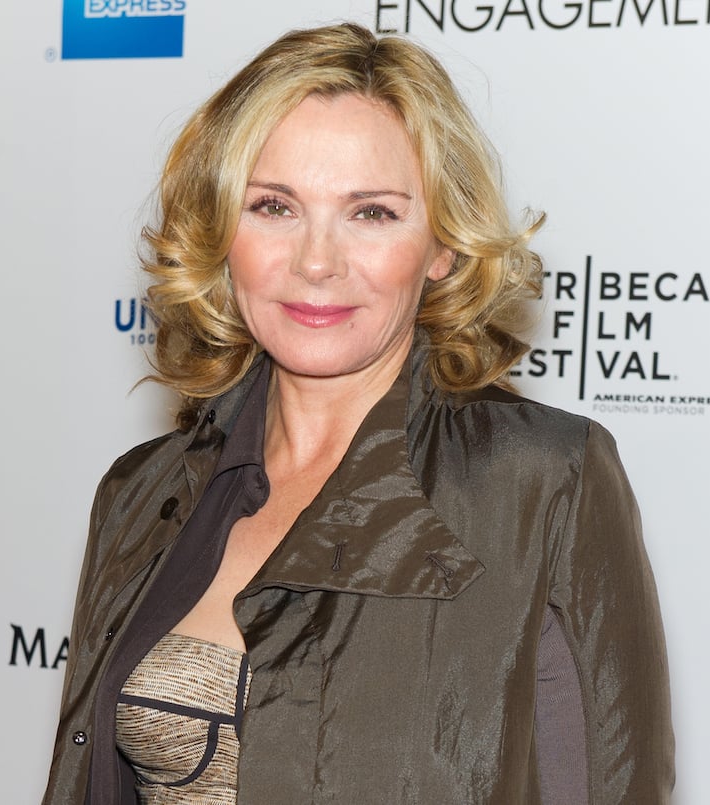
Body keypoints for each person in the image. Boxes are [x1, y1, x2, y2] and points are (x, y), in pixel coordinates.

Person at [43, 22, 674, 805]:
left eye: (371, 213)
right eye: (274, 206)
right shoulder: (141, 492)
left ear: (442, 245)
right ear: (220, 231)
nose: (316, 261)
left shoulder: (543, 482)